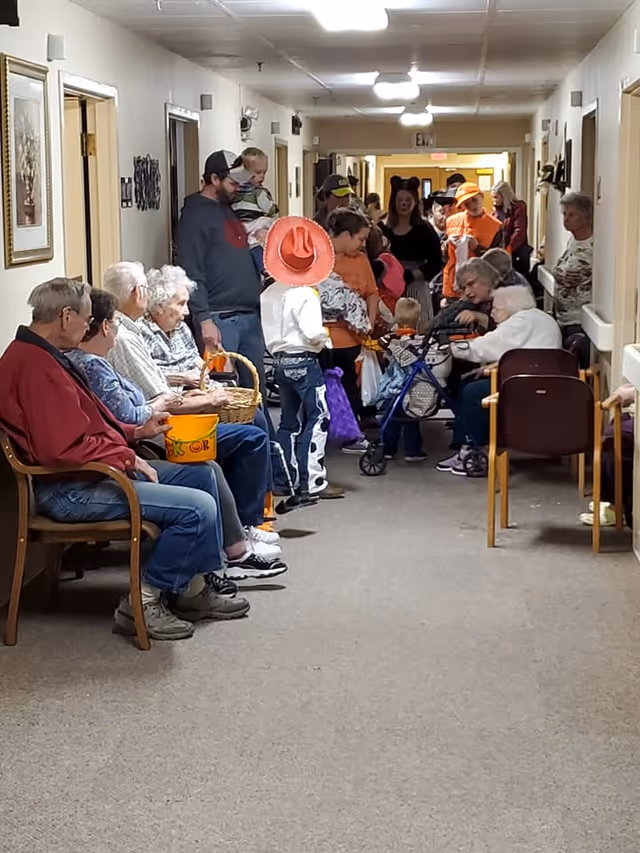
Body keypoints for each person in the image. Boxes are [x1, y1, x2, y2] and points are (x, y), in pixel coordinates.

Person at [0, 278, 250, 639]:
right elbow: (60, 450)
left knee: (203, 474)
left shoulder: (42, 353)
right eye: (87, 320)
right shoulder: (34, 366)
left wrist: (135, 433)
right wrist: (128, 458)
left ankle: (191, 591)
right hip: (70, 488)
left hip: (89, 473)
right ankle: (142, 602)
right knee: (198, 508)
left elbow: (86, 423)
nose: (90, 327)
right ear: (66, 316)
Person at [68, 287, 287, 584]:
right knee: (235, 449)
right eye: (180, 303)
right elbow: (127, 415)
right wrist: (166, 404)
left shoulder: (103, 359)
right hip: (144, 441)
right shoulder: (96, 364)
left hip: (144, 432)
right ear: (105, 326)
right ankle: (221, 559)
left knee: (220, 458)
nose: (185, 310)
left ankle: (229, 552)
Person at [103, 262, 280, 548]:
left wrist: (204, 386)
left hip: (180, 406)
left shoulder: (160, 330)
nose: (187, 311)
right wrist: (202, 395)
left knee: (255, 419)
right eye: (181, 303)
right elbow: (159, 393)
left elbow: (197, 370)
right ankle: (244, 527)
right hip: (167, 423)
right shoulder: (129, 336)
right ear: (146, 298)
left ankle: (251, 517)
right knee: (252, 437)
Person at [437, 285, 562, 476]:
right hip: (541, 383)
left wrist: (451, 348)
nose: (492, 314)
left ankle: (476, 448)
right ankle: (466, 446)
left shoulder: (520, 322)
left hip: (526, 388)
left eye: (496, 309)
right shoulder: (538, 318)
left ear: (509, 308)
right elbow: (525, 355)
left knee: (472, 392)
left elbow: (488, 346)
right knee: (470, 384)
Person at [176, 149, 268, 395]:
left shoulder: (229, 208)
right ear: (214, 180)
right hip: (219, 318)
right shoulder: (194, 216)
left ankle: (262, 434)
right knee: (224, 392)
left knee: (256, 392)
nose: (239, 186)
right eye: (232, 181)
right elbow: (191, 271)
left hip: (249, 315)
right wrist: (204, 319)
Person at [261, 216, 335, 507]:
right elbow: (312, 331)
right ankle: (311, 481)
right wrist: (324, 338)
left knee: (288, 421)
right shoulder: (305, 294)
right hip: (304, 360)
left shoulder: (268, 292)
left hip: (278, 361)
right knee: (317, 418)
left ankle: (285, 479)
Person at [324, 208, 378, 452]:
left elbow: (372, 294)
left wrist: (369, 327)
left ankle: (351, 433)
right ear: (345, 234)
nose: (363, 244)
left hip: (352, 339)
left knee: (350, 387)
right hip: (322, 339)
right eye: (361, 239)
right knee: (324, 388)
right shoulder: (320, 257)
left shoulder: (361, 259)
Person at [379, 176, 442, 330]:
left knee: (417, 330)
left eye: (408, 199)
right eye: (400, 199)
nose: (404, 203)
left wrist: (412, 275)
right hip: (389, 288)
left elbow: (436, 263)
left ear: (415, 201)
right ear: (393, 201)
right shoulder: (382, 227)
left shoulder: (425, 229)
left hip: (416, 286)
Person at [377, 297, 427, 463]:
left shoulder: (390, 339)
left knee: (391, 416)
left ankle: (387, 447)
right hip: (412, 384)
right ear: (417, 319)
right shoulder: (419, 340)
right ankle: (413, 450)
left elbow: (386, 357)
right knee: (410, 417)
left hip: (394, 384)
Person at [443, 182, 503, 302]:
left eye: (474, 200)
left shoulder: (495, 226)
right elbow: (444, 257)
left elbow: (499, 263)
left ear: (481, 196)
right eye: (467, 203)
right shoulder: (451, 221)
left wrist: (476, 248)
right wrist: (446, 246)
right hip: (453, 288)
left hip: (480, 290)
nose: (472, 205)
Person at [552, 191, 593, 358]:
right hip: (563, 317)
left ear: (586, 217)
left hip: (577, 319)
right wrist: (557, 272)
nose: (566, 219)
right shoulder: (573, 241)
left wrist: (558, 272)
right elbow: (560, 271)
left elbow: (571, 275)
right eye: (564, 214)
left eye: (572, 215)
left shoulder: (592, 246)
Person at [231, 146, 278, 274]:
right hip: (241, 225)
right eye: (257, 173)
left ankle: (265, 271)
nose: (262, 176)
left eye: (264, 172)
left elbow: (271, 210)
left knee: (255, 245)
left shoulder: (260, 193)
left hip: (256, 223)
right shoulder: (235, 191)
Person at [491, 180, 532, 277]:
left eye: (496, 197)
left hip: (516, 253)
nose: (494, 200)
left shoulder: (518, 208)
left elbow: (519, 231)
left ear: (504, 195)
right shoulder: (495, 213)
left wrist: (509, 249)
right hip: (501, 254)